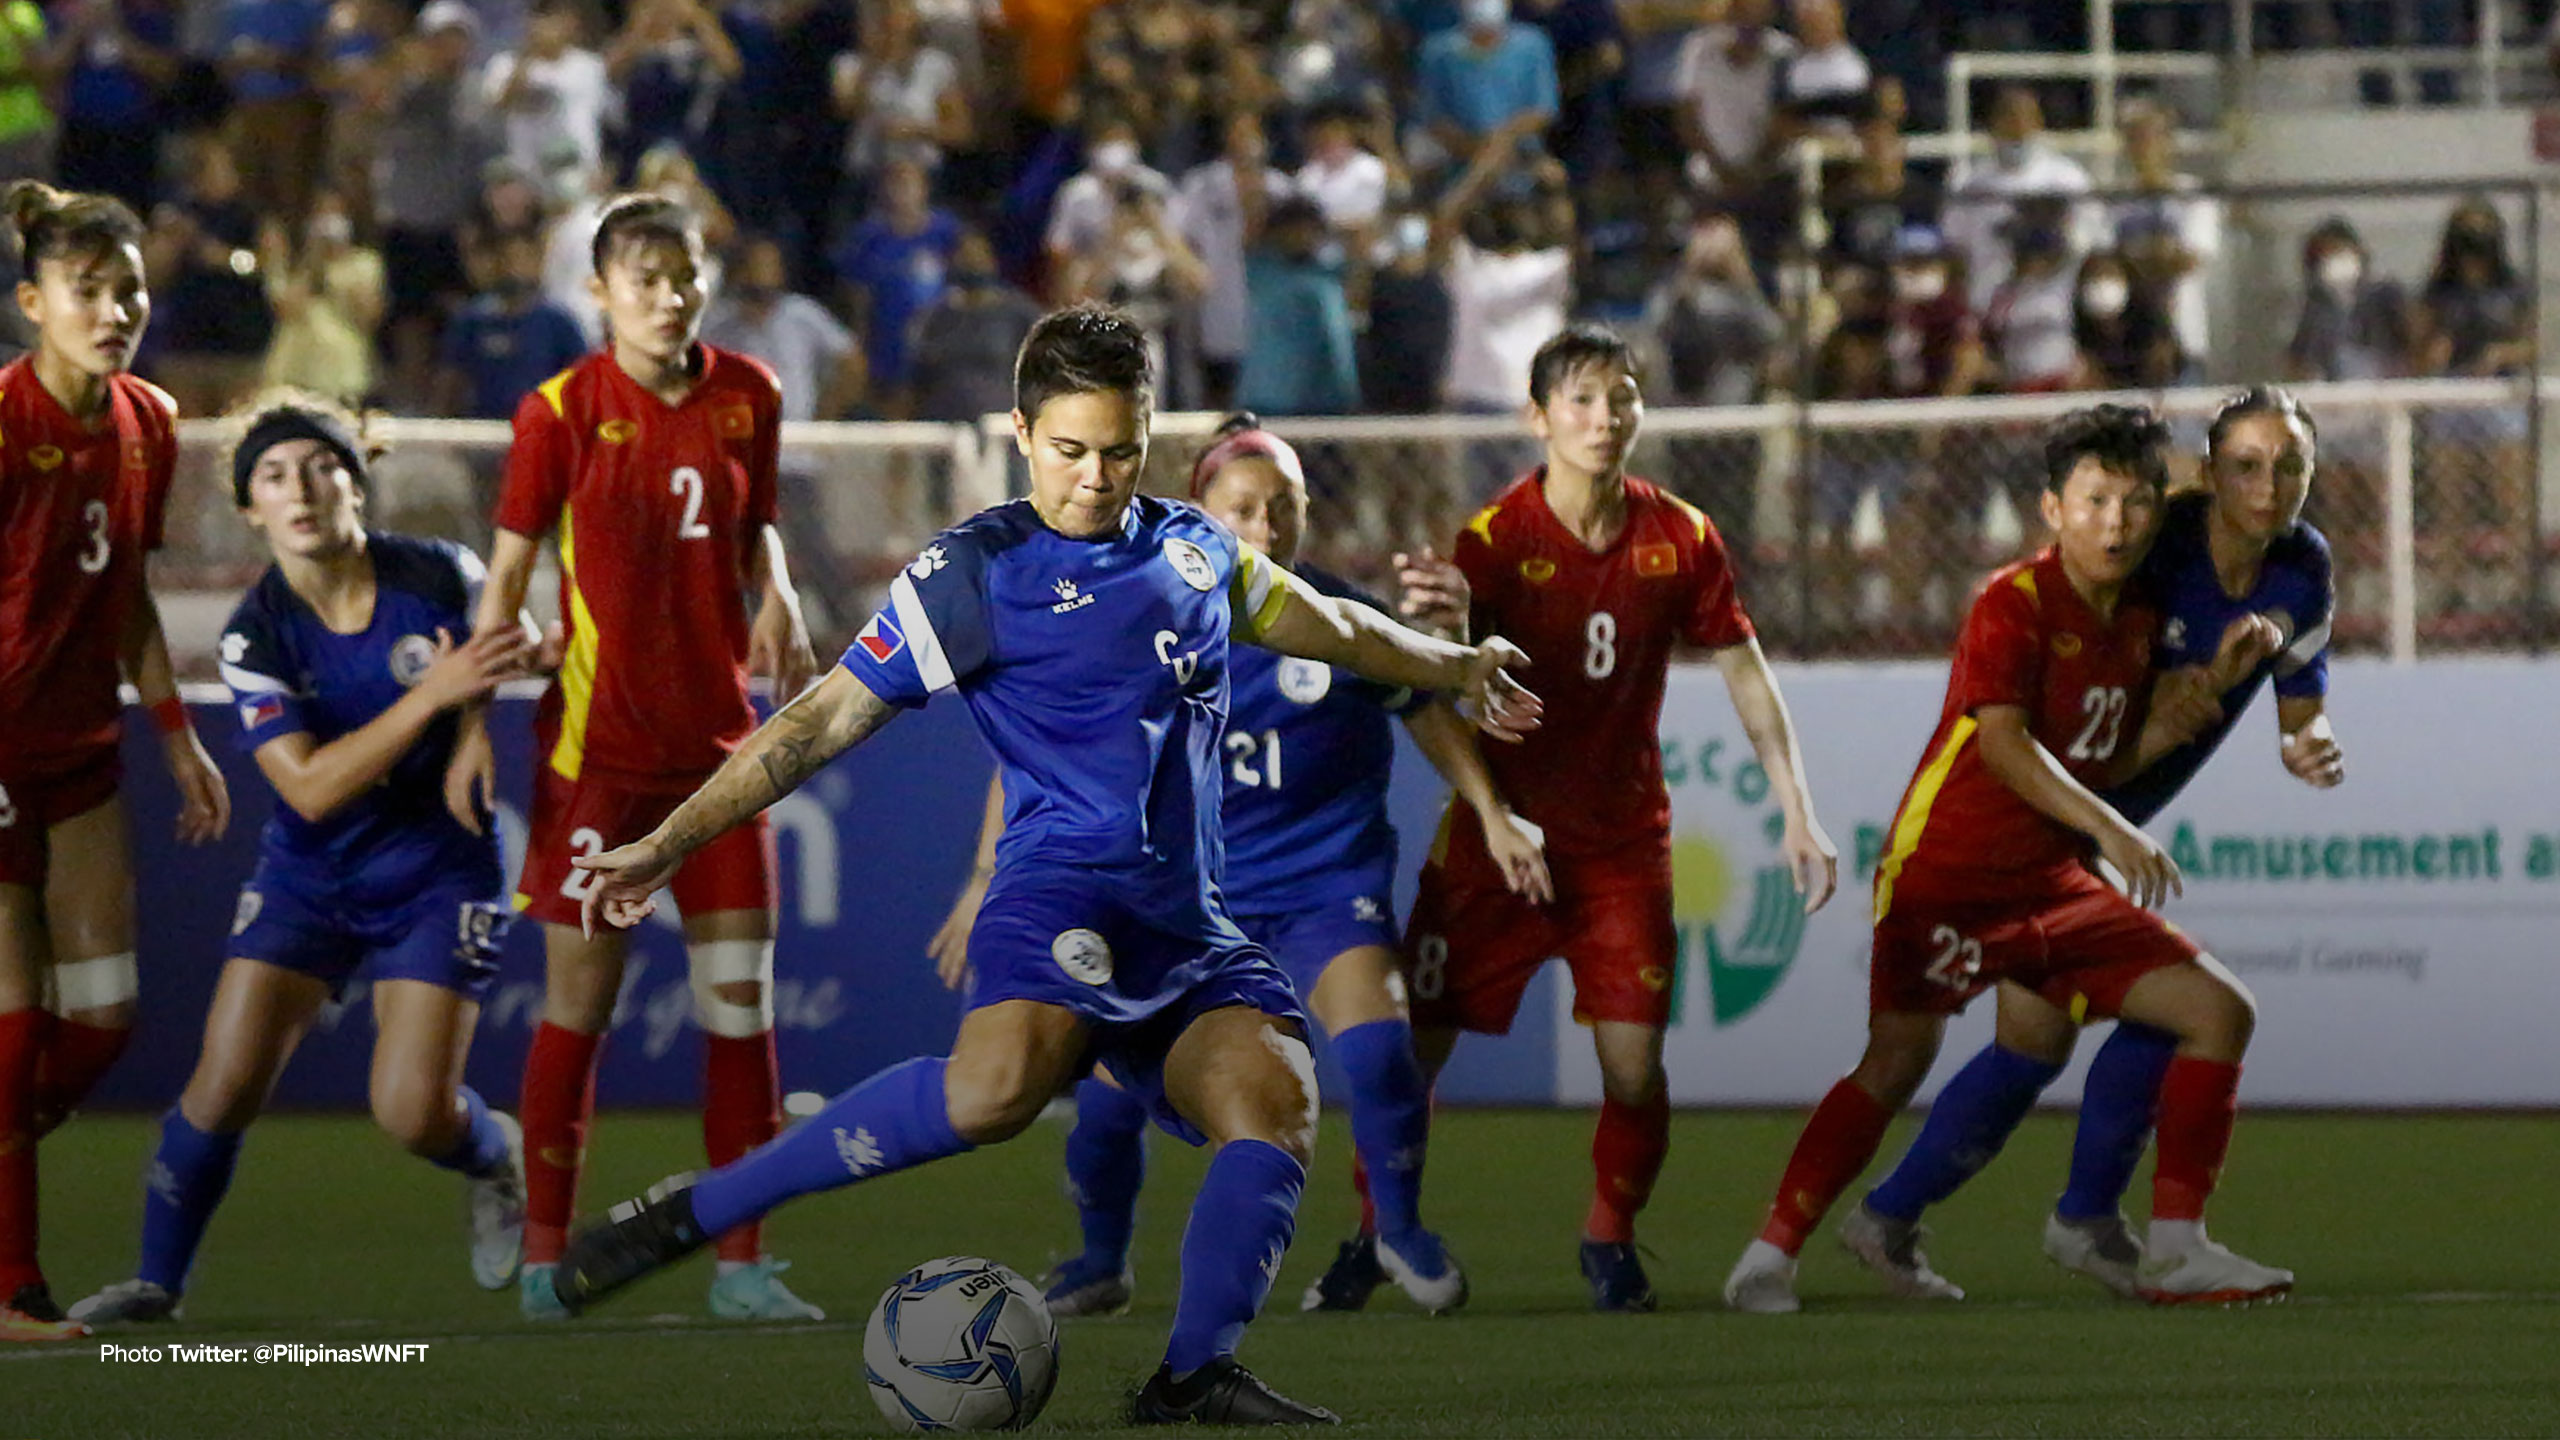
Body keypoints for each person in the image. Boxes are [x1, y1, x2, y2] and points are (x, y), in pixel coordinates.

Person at [547, 305, 1540, 1425]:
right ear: (1022, 433)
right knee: (994, 1095)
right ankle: (699, 1209)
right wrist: (667, 842)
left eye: (1121, 451)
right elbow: (815, 724)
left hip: (1186, 923)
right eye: (1070, 450)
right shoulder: (972, 573)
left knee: (1276, 1104)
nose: (1095, 478)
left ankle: (1191, 1377)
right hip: (1058, 891)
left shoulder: (1196, 552)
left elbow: (1341, 631)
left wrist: (1458, 665)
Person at [929, 413, 1551, 1321]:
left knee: (1380, 1050)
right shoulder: (1142, 614)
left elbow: (1424, 707)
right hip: (1184, 902)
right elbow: (1040, 752)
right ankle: (1101, 1261)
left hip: (1322, 886)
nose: (1267, 527)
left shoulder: (1339, 618)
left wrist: (1492, 814)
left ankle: (1398, 1230)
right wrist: (985, 878)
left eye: (1284, 506)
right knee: (1104, 1103)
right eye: (1246, 508)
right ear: (1201, 513)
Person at [1722, 404, 2298, 1315]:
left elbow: (2106, 757)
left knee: (2212, 1013)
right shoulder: (2014, 601)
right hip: (1948, 870)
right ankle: (1770, 1255)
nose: (2115, 522)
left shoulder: (2140, 619)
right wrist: (2113, 830)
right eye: (2095, 501)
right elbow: (2003, 745)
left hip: (2051, 881)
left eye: (2135, 502)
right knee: (1897, 1061)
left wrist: (2209, 689)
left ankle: (2172, 1247)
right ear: (2052, 509)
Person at [1364, 323, 1839, 1312]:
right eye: (1581, 399)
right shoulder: (1493, 539)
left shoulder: (1684, 536)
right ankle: (1378, 1235)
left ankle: (1610, 1237)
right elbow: (1450, 672)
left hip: (1623, 846)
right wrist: (1445, 627)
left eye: (1621, 397)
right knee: (1410, 1051)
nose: (1604, 417)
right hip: (1499, 841)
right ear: (1538, 418)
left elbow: (1746, 674)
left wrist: (1797, 809)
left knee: (1633, 1067)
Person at [68, 396, 538, 1327]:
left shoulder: (440, 571)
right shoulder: (256, 633)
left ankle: (494, 1157)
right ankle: (157, 1284)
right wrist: (433, 700)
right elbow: (311, 789)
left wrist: (474, 727)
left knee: (410, 1113)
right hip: (311, 874)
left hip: (438, 868)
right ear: (252, 509)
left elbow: (496, 652)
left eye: (322, 468)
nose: (303, 490)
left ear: (356, 484)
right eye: (276, 477)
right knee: (222, 1086)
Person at [466, 192, 822, 1323]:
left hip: (722, 763)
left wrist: (780, 588)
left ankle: (742, 1266)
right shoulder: (559, 411)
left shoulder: (750, 393)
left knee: (741, 1008)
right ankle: (544, 1256)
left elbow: (756, 522)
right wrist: (470, 718)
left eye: (684, 276)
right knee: (580, 1010)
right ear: (599, 292)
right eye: (645, 280)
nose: (669, 298)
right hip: (599, 762)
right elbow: (507, 573)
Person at [0, 180, 228, 1343]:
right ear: (31, 303)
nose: (112, 310)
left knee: (103, 1020)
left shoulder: (151, 419)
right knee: (13, 1029)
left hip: (84, 746)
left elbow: (125, 585)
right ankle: (13, 1291)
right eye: (84, 290)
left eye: (127, 290)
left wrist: (178, 736)